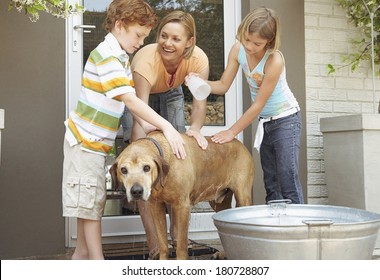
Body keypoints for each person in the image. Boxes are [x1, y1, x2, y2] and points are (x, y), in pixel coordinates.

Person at [62, 0, 186, 260]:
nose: (141, 42)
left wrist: (153, 128)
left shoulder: (120, 57)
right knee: (92, 210)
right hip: (84, 145)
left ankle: (84, 259)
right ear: (120, 25)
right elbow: (131, 100)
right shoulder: (106, 56)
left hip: (94, 146)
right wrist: (165, 125)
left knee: (88, 216)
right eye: (138, 35)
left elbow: (129, 104)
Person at [128, 10, 210, 259]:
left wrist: (194, 130)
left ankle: (178, 239)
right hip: (141, 99)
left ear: (189, 42)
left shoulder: (199, 60)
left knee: (176, 162)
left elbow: (199, 106)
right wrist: (140, 148)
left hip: (173, 91)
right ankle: (155, 245)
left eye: (176, 39)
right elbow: (139, 112)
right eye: (164, 36)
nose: (167, 43)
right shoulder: (144, 61)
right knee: (142, 167)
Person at [206, 7, 304, 204]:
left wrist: (231, 132)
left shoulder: (274, 60)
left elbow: (259, 104)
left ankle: (297, 231)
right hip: (265, 123)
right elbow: (223, 86)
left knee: (287, 177)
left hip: (286, 120)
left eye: (257, 43)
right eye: (246, 39)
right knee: (271, 180)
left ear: (270, 40)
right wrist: (199, 83)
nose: (249, 46)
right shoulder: (238, 49)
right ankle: (274, 230)